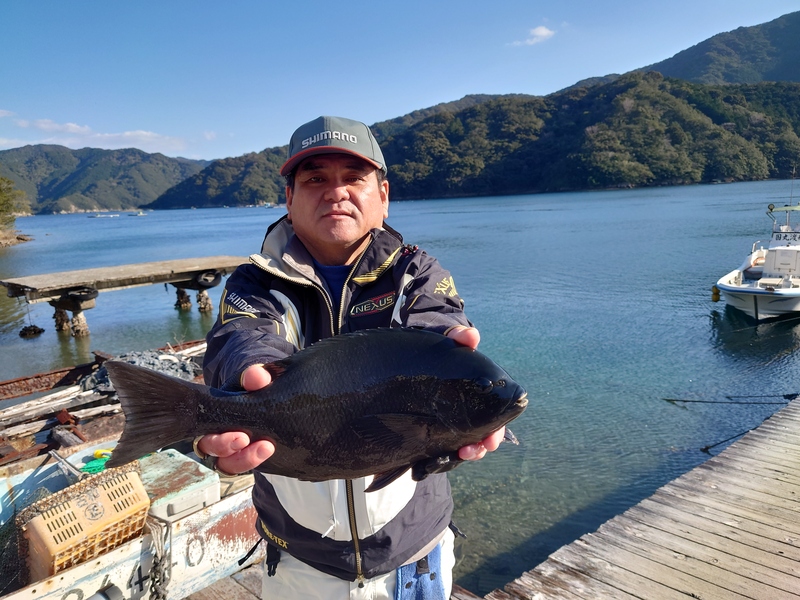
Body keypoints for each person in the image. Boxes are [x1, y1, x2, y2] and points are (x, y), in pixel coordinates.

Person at [195, 115, 505, 599]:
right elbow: (242, 338)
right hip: (300, 560)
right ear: (290, 200)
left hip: (413, 553)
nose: (335, 192)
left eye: (353, 178)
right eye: (315, 178)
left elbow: (438, 323)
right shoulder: (253, 284)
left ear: (382, 196)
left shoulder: (416, 272)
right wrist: (244, 378)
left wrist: (458, 370)